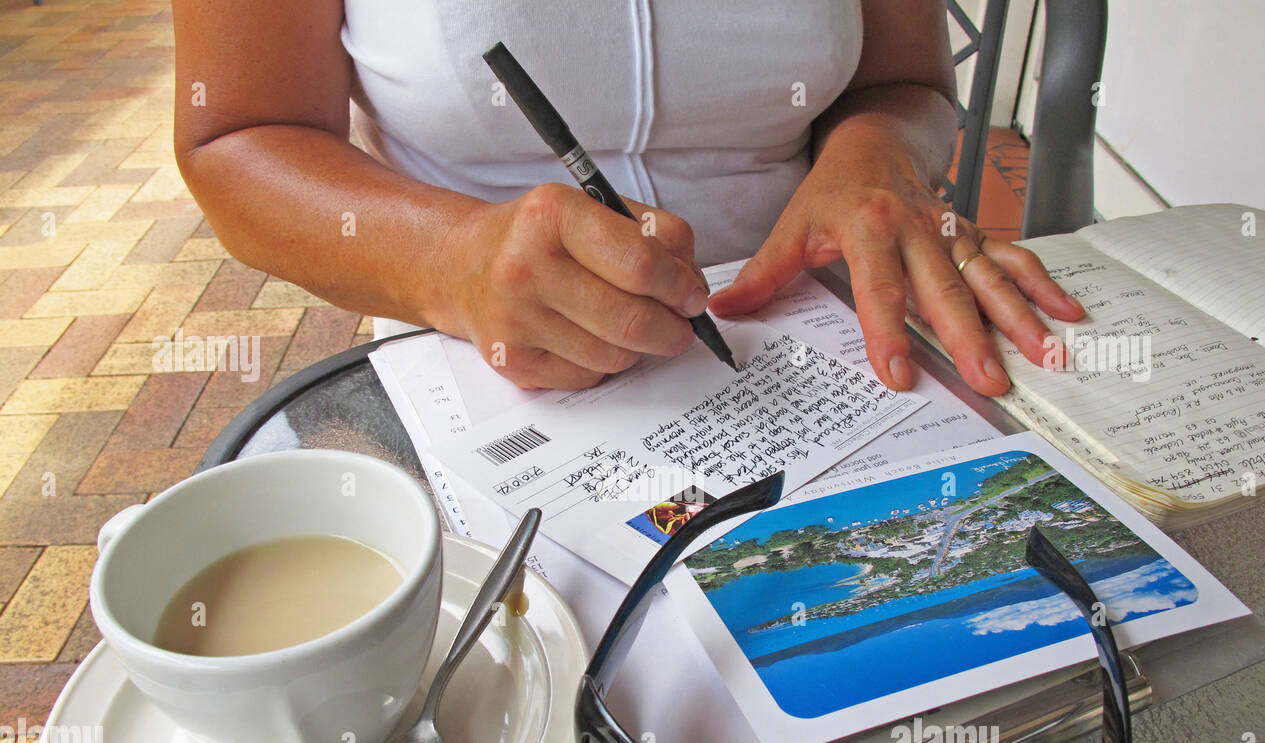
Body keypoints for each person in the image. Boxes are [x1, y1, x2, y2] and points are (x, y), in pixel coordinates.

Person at [172, 0, 1084, 395]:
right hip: (483, 373)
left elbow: (906, 82)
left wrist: (878, 156)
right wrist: (451, 262)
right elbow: (237, 136)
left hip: (819, 337)